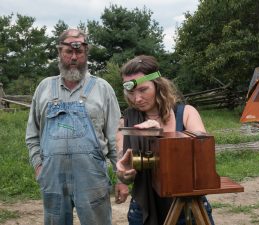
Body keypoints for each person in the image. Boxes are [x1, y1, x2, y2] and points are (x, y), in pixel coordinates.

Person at [25, 28, 121, 225]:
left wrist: (121, 178)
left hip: (92, 177)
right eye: (69, 51)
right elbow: (32, 135)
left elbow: (115, 137)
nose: (74, 57)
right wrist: (38, 166)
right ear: (60, 52)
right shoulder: (44, 88)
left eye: (80, 52)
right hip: (52, 177)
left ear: (86, 54)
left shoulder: (102, 88)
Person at [115, 55, 215, 225]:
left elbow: (202, 151)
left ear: (158, 85)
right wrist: (123, 174)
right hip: (143, 208)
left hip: (188, 206)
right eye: (131, 92)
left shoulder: (187, 113)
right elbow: (125, 171)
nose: (137, 99)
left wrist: (159, 134)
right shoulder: (126, 121)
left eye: (143, 90)